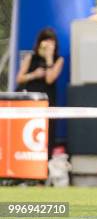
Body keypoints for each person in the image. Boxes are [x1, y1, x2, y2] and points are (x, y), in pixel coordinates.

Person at [16, 27, 65, 155]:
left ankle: (45, 162)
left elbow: (50, 79)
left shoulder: (58, 60)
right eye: (46, 42)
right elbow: (19, 78)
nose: (48, 46)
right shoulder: (30, 57)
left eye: (51, 43)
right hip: (29, 101)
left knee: (46, 131)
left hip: (47, 101)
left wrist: (49, 59)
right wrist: (34, 74)